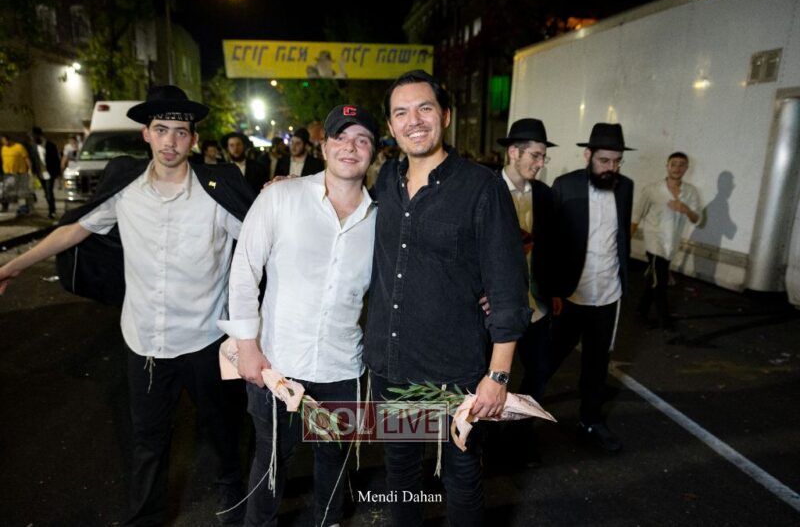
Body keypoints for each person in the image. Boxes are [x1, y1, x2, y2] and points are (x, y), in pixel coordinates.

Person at [0, 85, 253, 525]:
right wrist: (14, 267)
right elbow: (74, 229)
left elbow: (259, 238)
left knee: (223, 429)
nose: (170, 141)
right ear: (146, 135)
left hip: (206, 340)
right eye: (161, 130)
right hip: (145, 342)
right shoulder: (125, 191)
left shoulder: (217, 193)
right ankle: (146, 518)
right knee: (147, 440)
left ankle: (234, 493)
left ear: (193, 139)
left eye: (180, 132)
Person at [364, 70, 530, 526]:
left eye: (425, 108)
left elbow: (508, 289)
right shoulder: (386, 182)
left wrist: (498, 374)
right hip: (394, 367)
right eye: (401, 113)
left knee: (461, 477)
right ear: (391, 126)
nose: (414, 121)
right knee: (401, 474)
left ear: (446, 116)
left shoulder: (481, 187)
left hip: (455, 373)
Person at [219, 104, 380, 527]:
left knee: (334, 462)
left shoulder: (382, 219)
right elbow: (243, 271)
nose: (350, 147)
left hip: (343, 366)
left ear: (373, 152)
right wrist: (247, 347)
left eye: (362, 139)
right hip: (277, 362)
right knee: (272, 459)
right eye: (340, 137)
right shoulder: (280, 197)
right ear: (323, 147)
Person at [548, 123, 635, 453]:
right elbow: (551, 242)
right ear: (588, 156)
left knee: (598, 365)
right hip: (571, 295)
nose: (611, 167)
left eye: (617, 161)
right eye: (604, 160)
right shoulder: (565, 185)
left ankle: (591, 421)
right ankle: (518, 420)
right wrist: (552, 290)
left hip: (608, 294)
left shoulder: (625, 187)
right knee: (547, 359)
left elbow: (621, 236)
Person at [497, 118, 557, 403]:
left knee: (539, 371)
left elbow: (553, 246)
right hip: (496, 307)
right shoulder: (487, 189)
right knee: (488, 377)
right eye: (535, 155)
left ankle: (521, 426)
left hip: (535, 306)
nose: (540, 163)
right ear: (513, 152)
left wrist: (554, 291)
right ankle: (480, 428)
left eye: (543, 156)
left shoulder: (545, 195)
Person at [633, 152, 701, 328]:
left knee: (654, 279)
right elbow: (637, 215)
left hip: (671, 244)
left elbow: (696, 219)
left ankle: (640, 312)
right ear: (667, 166)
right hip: (654, 242)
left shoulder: (690, 192)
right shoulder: (652, 189)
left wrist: (685, 209)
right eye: (674, 164)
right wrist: (626, 240)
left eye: (681, 165)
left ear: (686, 168)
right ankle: (665, 320)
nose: (677, 168)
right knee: (660, 282)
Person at [30, 126, 61, 218]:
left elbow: (56, 160)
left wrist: (58, 173)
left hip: (50, 173)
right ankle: (51, 209)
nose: (32, 138)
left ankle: (52, 211)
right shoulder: (34, 147)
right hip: (40, 173)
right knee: (46, 193)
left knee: (49, 193)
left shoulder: (50, 146)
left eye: (33, 136)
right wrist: (33, 172)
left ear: (39, 135)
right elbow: (34, 160)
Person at [0, 133, 32, 214]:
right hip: (8, 174)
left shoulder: (19, 147)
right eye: (2, 141)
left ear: (9, 140)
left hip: (20, 173)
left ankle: (23, 208)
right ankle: (5, 206)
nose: (4, 143)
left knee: (22, 191)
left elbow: (26, 158)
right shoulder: (3, 148)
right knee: (6, 190)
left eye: (5, 141)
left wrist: (30, 169)